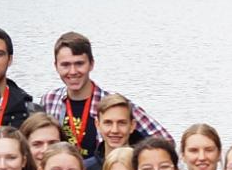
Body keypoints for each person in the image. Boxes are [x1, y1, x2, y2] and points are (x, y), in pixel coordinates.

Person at [37, 32, 167, 159]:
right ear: (56, 66)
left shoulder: (113, 103)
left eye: (79, 64)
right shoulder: (49, 100)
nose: (73, 71)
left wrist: (137, 162)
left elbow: (164, 140)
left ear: (91, 64)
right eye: (65, 65)